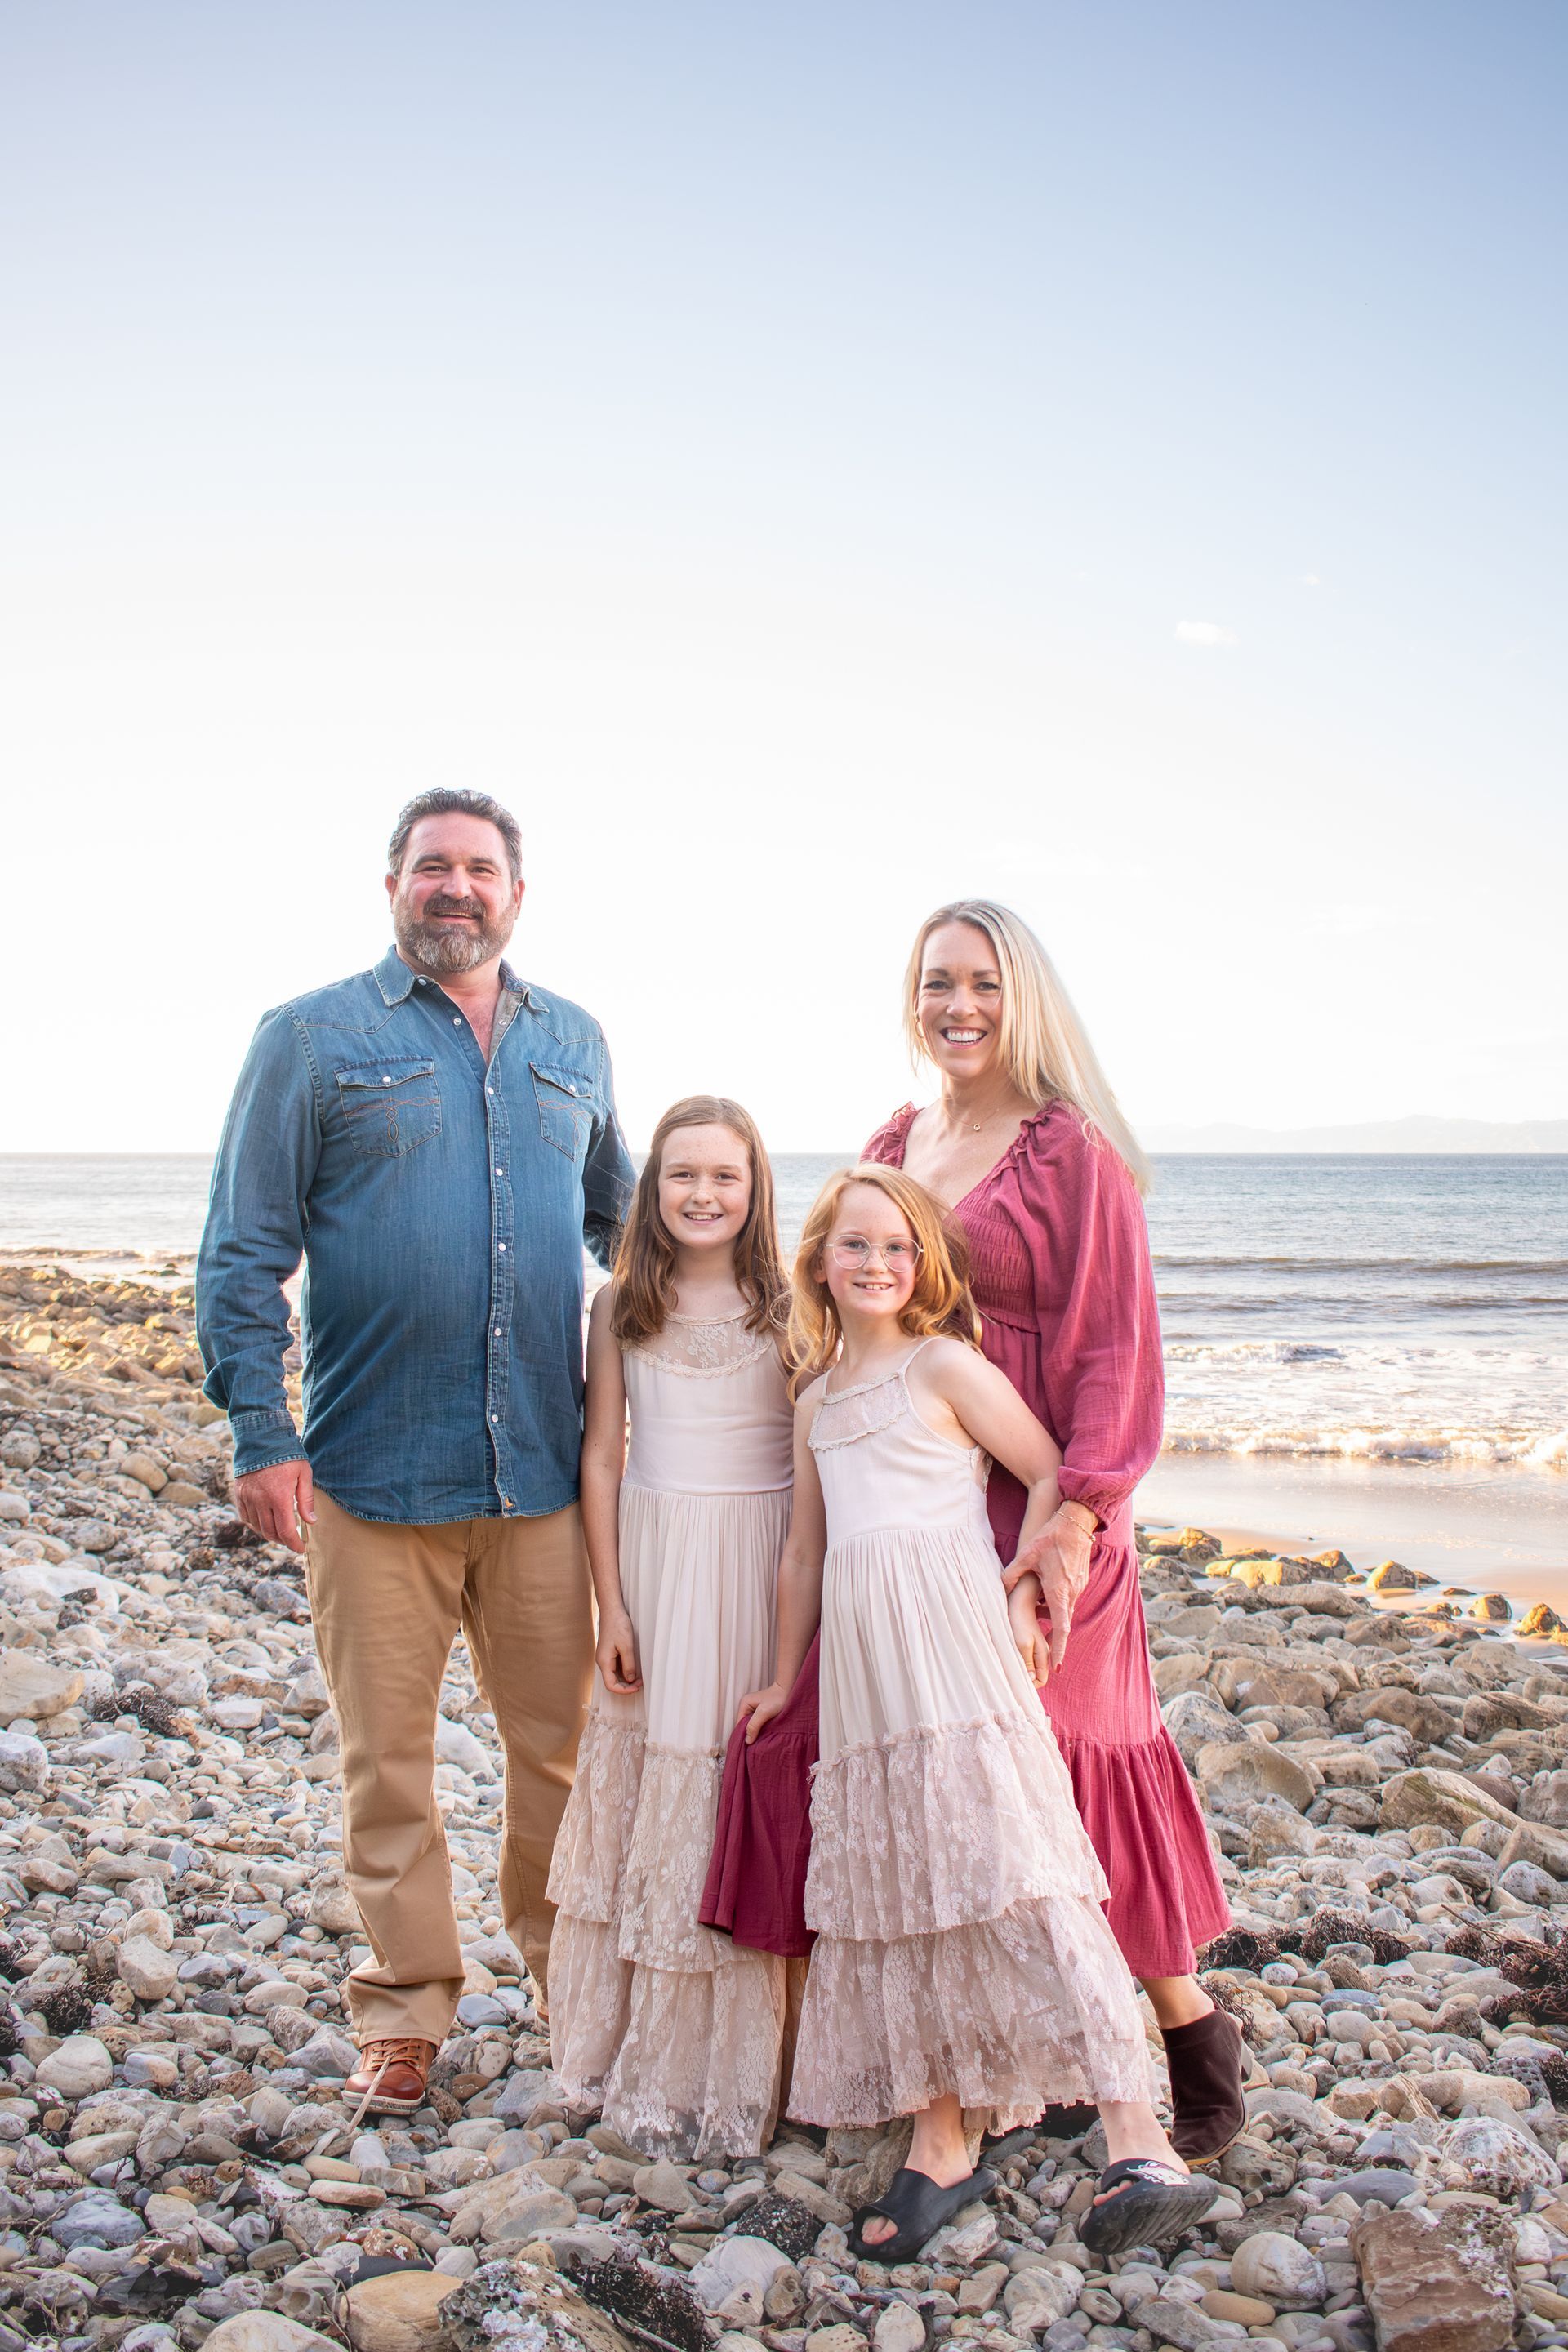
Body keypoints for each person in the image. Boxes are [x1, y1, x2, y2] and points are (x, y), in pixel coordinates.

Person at [704, 898, 1241, 2166]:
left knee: (1054, 1774)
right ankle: (993, 2066)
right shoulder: (901, 1135)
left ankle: (1189, 2028)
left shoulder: (1073, 1154)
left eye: (985, 984)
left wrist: (1078, 1523)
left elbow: (1116, 1353)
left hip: (1043, 1497)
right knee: (912, 1774)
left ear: (1025, 999)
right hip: (918, 1501)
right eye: (939, 981)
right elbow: (858, 1288)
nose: (960, 1006)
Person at [197, 788, 634, 2115]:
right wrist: (260, 1434)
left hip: (545, 1480)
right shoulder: (311, 1039)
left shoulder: (577, 1042)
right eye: (432, 866)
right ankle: (404, 2012)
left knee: (559, 1755)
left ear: (517, 893)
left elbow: (629, 1230)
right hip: (371, 1477)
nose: (458, 887)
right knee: (387, 1762)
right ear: (393, 884)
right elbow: (242, 1249)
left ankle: (580, 1993)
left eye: (480, 869)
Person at [739, 1166, 1215, 2261]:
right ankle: (938, 2137)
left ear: (923, 1267)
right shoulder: (815, 1400)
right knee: (897, 1883)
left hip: (956, 1647)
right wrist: (779, 1675)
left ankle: (1136, 2134)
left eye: (897, 1248)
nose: (875, 1265)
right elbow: (805, 1551)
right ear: (819, 1260)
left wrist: (1024, 1587)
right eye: (854, 1246)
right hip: (864, 1668)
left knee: (1022, 1872)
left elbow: (1049, 1473)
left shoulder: (943, 1365)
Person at [547, 1098, 800, 2157]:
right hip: (653, 1555)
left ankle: (749, 2067)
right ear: (651, 1190)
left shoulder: (791, 1305)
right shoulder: (621, 1305)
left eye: (724, 1177)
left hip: (758, 1558)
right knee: (653, 1785)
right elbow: (602, 1455)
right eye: (682, 1175)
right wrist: (613, 1602)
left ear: (756, 1192)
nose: (703, 1194)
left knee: (737, 1784)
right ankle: (634, 2058)